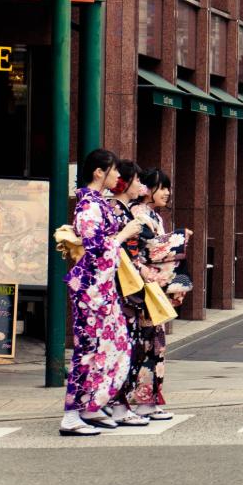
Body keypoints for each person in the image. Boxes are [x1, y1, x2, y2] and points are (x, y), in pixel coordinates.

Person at [60, 149, 143, 436]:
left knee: (116, 345)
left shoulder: (97, 203)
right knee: (88, 351)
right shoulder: (89, 206)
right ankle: (72, 414)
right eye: (114, 171)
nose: (118, 176)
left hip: (101, 288)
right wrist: (122, 235)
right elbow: (95, 249)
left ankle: (89, 406)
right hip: (91, 289)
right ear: (99, 172)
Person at [118, 168, 191, 421]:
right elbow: (145, 252)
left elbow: (156, 247)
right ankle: (138, 401)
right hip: (143, 288)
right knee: (144, 345)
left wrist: (176, 238)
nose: (167, 192)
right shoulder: (138, 214)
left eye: (167, 187)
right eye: (162, 187)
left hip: (151, 287)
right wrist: (178, 238)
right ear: (147, 189)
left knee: (155, 345)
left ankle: (148, 400)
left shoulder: (152, 216)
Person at [103, 160, 153, 427]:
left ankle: (119, 403)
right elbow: (114, 249)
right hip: (121, 287)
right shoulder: (114, 209)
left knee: (129, 348)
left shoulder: (122, 209)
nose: (141, 186)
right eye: (136, 180)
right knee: (123, 348)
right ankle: (118, 404)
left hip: (130, 285)